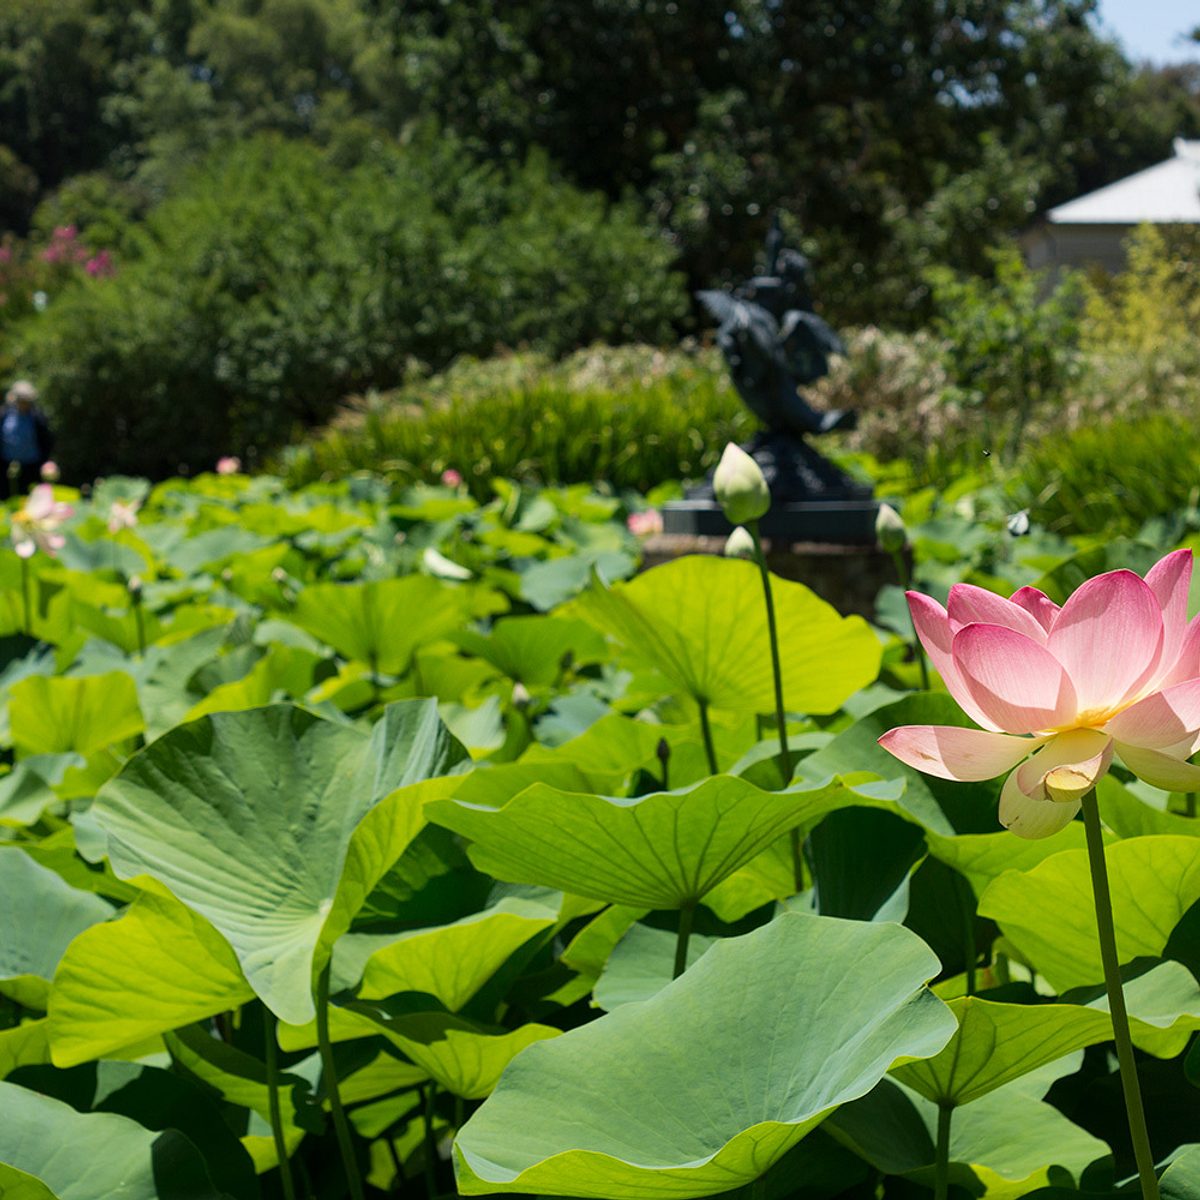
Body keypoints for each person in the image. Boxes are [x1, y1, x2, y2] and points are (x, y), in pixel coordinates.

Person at [2, 381, 54, 497]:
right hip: (6, 465)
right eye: (21, 400)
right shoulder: (4, 414)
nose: (24, 404)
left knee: (31, 499)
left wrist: (46, 460)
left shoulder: (37, 417)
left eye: (26, 401)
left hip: (32, 466)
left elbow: (46, 441)